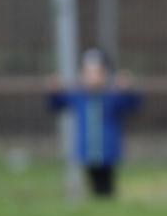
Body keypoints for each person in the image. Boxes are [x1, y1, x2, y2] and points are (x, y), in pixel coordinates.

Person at [48, 49, 142, 197]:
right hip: (88, 150)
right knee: (93, 182)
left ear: (104, 74)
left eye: (96, 72)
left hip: (107, 151)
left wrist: (128, 90)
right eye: (88, 73)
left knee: (106, 184)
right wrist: (53, 91)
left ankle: (105, 202)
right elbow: (56, 105)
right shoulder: (78, 96)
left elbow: (133, 105)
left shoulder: (112, 96)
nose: (92, 77)